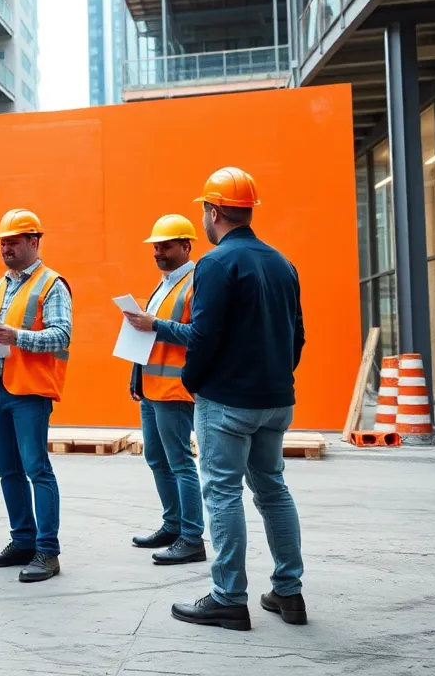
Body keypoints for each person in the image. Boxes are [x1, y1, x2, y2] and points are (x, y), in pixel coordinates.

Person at [124, 167, 306, 632]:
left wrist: (195, 381)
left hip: (228, 400)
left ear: (214, 211)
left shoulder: (216, 264)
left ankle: (228, 597)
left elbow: (203, 335)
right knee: (273, 490)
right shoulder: (282, 262)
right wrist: (279, 379)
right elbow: (297, 336)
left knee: (222, 493)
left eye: (204, 210)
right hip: (276, 396)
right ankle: (289, 592)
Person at [0, 209, 70, 584]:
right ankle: (23, 541)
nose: (7, 247)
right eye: (3, 242)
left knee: (36, 468)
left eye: (13, 241)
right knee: (7, 470)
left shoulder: (52, 284)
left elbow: (61, 335)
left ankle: (47, 550)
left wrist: (16, 337)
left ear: (34, 241)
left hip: (29, 392)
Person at [128, 214, 206, 566]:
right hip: (152, 385)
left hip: (175, 388)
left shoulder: (196, 283)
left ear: (186, 246)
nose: (158, 251)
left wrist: (154, 323)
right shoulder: (163, 285)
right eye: (155, 246)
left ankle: (192, 537)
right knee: (156, 459)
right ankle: (173, 525)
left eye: (166, 246)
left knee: (179, 463)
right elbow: (148, 333)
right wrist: (136, 375)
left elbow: (199, 335)